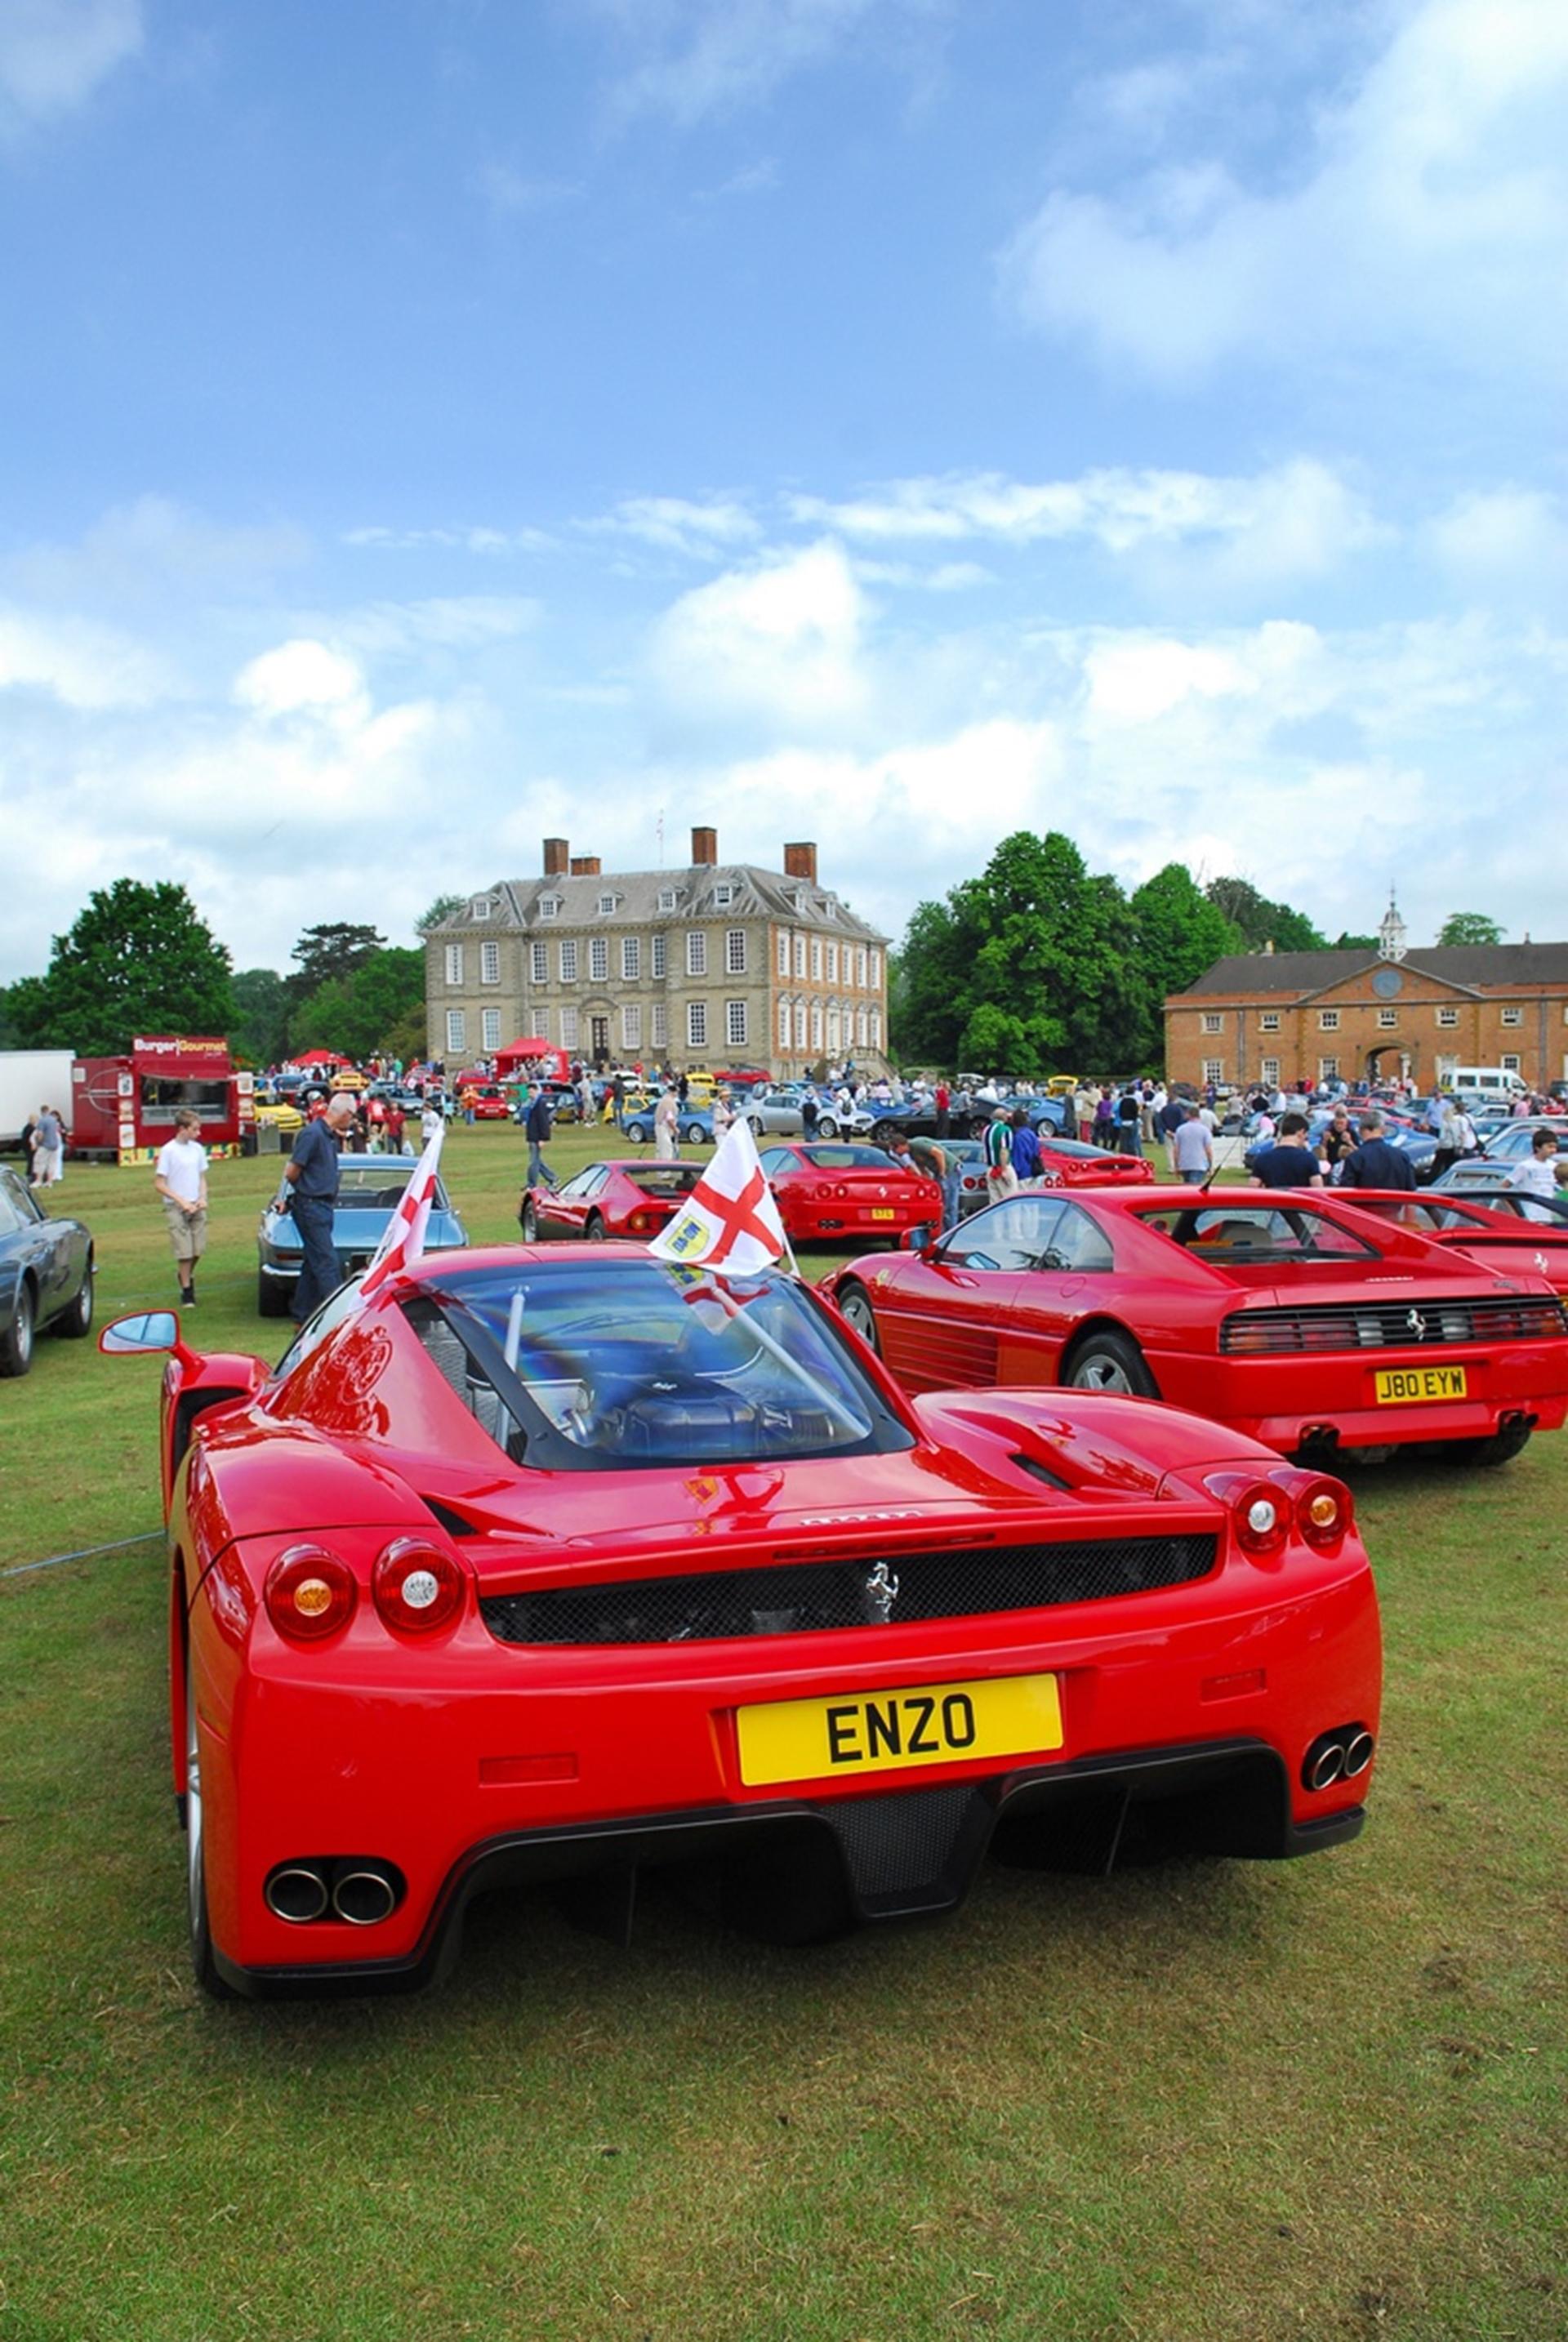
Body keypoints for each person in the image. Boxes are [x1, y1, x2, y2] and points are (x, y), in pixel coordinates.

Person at [281, 1091, 357, 1321]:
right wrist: (305, 1191)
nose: (352, 1121)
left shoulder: (329, 1137)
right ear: (345, 1114)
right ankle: (340, 1315)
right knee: (327, 1261)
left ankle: (302, 1314)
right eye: (351, 1116)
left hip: (323, 1205)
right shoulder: (312, 1134)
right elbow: (292, 1171)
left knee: (313, 1262)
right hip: (310, 1204)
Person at [153, 1108, 209, 1306]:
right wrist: (181, 1202)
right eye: (195, 1129)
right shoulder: (169, 1151)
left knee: (197, 1250)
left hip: (196, 1205)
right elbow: (160, 1183)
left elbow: (202, 1178)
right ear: (182, 1129)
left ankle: (185, 1275)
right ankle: (187, 1290)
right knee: (184, 1251)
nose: (198, 1133)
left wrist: (202, 1198)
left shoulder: (197, 1149)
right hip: (177, 1207)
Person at [1338, 1110, 1415, 1191]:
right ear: (1383, 1130)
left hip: (1364, 1202)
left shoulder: (1355, 1158)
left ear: (1360, 1131)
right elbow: (1411, 1191)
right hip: (1396, 1202)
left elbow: (1346, 1192)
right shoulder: (1402, 1157)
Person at [1250, 1111, 1323, 1189]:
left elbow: (1253, 1189)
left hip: (1273, 1199)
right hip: (1299, 1200)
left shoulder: (1262, 1159)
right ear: (1301, 1132)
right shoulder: (1309, 1159)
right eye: (1306, 1134)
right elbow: (1318, 1190)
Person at [1506, 1127, 1561, 1218]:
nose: (1553, 1150)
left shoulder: (1554, 1166)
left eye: (1555, 1147)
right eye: (1549, 1147)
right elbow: (1505, 1186)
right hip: (1530, 1215)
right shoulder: (1525, 1166)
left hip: (1549, 1214)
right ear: (1538, 1147)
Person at [983, 1106, 1018, 1202]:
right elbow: (1004, 1151)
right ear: (1004, 1117)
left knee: (994, 1202)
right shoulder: (1005, 1130)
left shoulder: (986, 1130)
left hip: (990, 1169)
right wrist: (1004, 1170)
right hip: (1002, 1167)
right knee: (1011, 1201)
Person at [1171, 1105, 1213, 1185]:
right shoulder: (1205, 1130)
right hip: (1199, 1164)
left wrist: (1176, 1165)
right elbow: (1208, 1150)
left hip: (1185, 1164)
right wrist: (1210, 1165)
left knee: (1187, 1189)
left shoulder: (1180, 1129)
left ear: (1188, 1115)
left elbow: (1176, 1150)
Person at [526, 1084, 557, 1187]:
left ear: (536, 1091)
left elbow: (543, 1122)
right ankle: (553, 1178)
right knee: (537, 1161)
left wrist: (543, 1138)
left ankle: (532, 1184)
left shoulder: (540, 1104)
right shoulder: (532, 1104)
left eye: (531, 1092)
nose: (529, 1094)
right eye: (528, 1092)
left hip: (537, 1137)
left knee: (533, 1162)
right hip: (532, 1136)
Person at [30, 1104, 64, 1187]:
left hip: (45, 1145)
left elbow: (40, 1134)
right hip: (55, 1145)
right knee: (51, 1163)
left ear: (42, 1112)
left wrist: (38, 1143)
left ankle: (38, 1181)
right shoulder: (54, 1121)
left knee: (39, 1162)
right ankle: (49, 1181)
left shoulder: (42, 1121)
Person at [1010, 1108, 1042, 1185]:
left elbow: (1018, 1158)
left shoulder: (1018, 1137)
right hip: (1034, 1171)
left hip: (1023, 1175)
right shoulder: (1031, 1134)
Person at [653, 1086, 679, 1163]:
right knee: (666, 1150)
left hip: (662, 1127)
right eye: (676, 1092)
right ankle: (664, 1172)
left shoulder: (667, 1100)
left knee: (661, 1149)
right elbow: (669, 1117)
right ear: (673, 1092)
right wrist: (675, 1128)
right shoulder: (668, 1101)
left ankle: (660, 1170)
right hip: (663, 1127)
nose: (677, 1094)